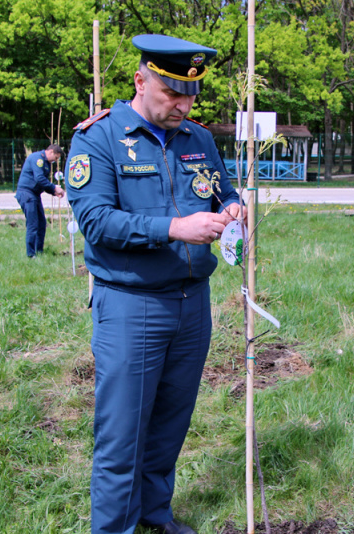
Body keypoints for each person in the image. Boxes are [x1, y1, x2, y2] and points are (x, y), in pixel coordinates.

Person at [66, 34, 244, 534]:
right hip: (131, 305)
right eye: (172, 93)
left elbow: (224, 192)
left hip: (193, 305)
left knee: (169, 427)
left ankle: (153, 516)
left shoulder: (198, 140)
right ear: (141, 81)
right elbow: (97, 221)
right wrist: (174, 227)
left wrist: (233, 211)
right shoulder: (97, 138)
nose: (183, 105)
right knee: (122, 435)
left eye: (190, 95)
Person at [15, 144, 65, 257]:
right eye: (56, 158)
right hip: (27, 193)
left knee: (41, 223)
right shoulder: (38, 159)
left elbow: (42, 184)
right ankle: (31, 254)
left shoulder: (46, 163)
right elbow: (39, 178)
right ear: (51, 152)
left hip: (35, 194)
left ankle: (39, 251)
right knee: (33, 224)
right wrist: (54, 187)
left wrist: (53, 192)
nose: (55, 161)